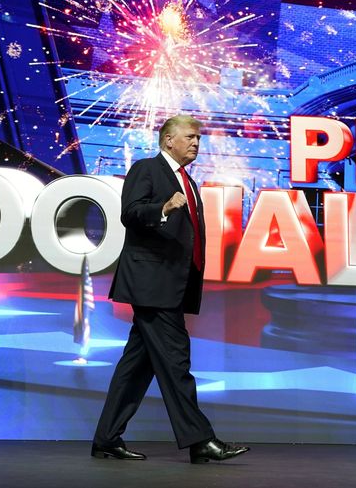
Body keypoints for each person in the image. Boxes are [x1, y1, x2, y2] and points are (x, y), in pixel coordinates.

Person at [91, 115, 250, 464]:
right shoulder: (147, 169)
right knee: (176, 360)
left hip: (171, 286)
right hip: (151, 284)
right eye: (190, 137)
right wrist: (162, 208)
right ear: (168, 140)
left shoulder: (187, 181)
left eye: (198, 138)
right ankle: (200, 440)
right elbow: (130, 213)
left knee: (136, 367)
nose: (196, 143)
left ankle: (106, 439)